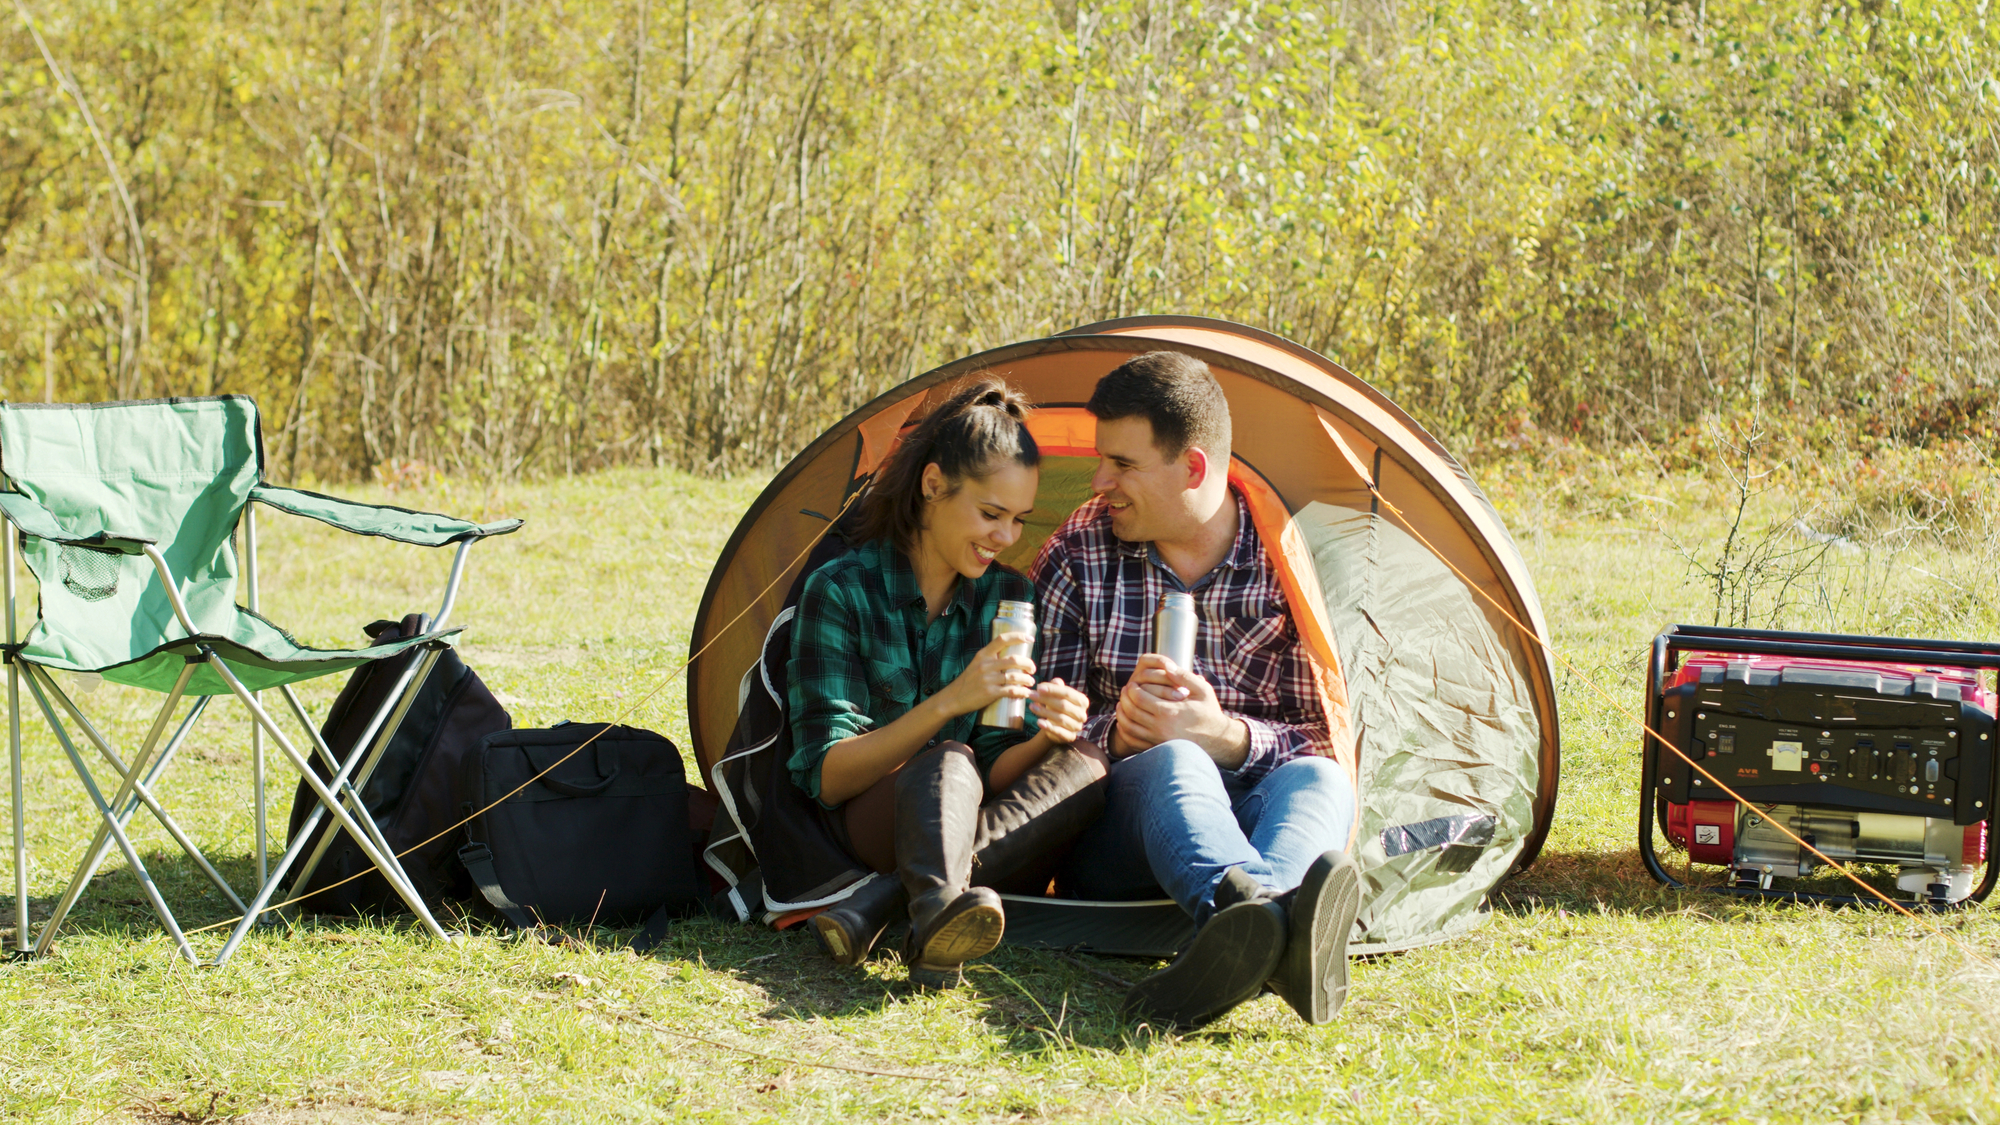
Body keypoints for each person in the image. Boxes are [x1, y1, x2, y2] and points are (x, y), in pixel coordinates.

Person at [1031, 350, 1362, 1028]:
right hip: (1122, 827)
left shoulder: (1281, 561)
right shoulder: (1080, 550)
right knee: (1176, 761)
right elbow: (1027, 721)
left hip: (1250, 804)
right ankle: (1267, 919)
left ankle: (1254, 926)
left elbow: (1325, 733)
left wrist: (1226, 737)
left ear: (1194, 467)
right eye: (1102, 459)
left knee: (1325, 781)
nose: (1099, 480)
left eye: (1122, 464)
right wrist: (1118, 734)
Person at [786, 378, 1108, 988]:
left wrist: (1045, 738)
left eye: (1018, 520)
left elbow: (996, 769)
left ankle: (900, 908)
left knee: (1085, 763)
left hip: (977, 819)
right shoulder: (842, 589)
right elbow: (828, 778)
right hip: (872, 819)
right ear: (933, 485)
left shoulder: (1010, 598)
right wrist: (951, 702)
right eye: (990, 515)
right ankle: (928, 906)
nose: (1006, 538)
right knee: (948, 760)